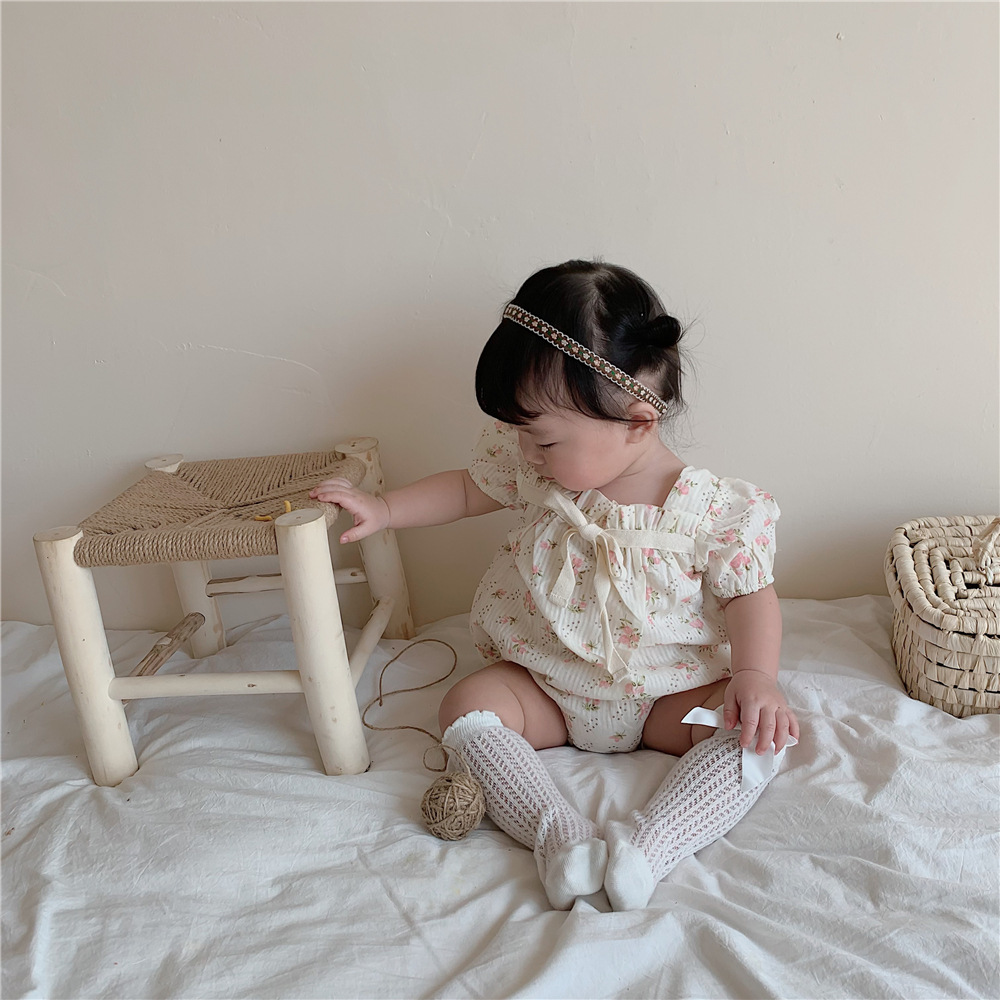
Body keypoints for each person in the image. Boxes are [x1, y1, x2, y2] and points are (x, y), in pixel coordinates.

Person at [310, 260, 799, 911]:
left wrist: (757, 677)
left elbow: (750, 595)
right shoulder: (539, 470)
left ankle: (651, 846)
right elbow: (465, 489)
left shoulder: (714, 511)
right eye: (522, 435)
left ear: (637, 421)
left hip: (666, 695)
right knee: (466, 705)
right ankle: (560, 837)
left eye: (542, 440)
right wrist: (385, 509)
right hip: (544, 686)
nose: (526, 453)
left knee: (755, 736)